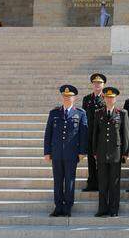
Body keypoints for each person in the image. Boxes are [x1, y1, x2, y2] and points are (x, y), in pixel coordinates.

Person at [43, 85, 88, 217]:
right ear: (62, 97)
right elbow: (48, 133)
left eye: (70, 96)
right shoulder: (54, 113)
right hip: (56, 153)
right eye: (65, 96)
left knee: (69, 181)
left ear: (74, 98)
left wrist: (82, 152)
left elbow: (83, 135)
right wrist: (47, 151)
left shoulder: (80, 113)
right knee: (57, 181)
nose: (67, 98)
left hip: (72, 154)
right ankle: (58, 206)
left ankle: (67, 207)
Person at [93, 87, 129, 217]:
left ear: (115, 99)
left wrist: (125, 153)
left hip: (116, 153)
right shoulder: (98, 113)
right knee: (102, 182)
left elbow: (125, 134)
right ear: (104, 98)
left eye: (112, 97)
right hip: (102, 152)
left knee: (114, 183)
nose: (109, 99)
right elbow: (95, 134)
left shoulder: (122, 113)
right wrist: (94, 151)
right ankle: (102, 208)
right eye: (107, 97)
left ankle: (114, 209)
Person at [82, 73, 106, 192]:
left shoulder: (106, 98)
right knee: (91, 160)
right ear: (92, 84)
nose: (97, 85)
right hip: (90, 134)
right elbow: (84, 117)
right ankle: (92, 182)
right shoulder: (87, 99)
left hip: (102, 135)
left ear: (103, 85)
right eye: (95, 83)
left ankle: (101, 182)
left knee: (100, 160)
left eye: (99, 83)